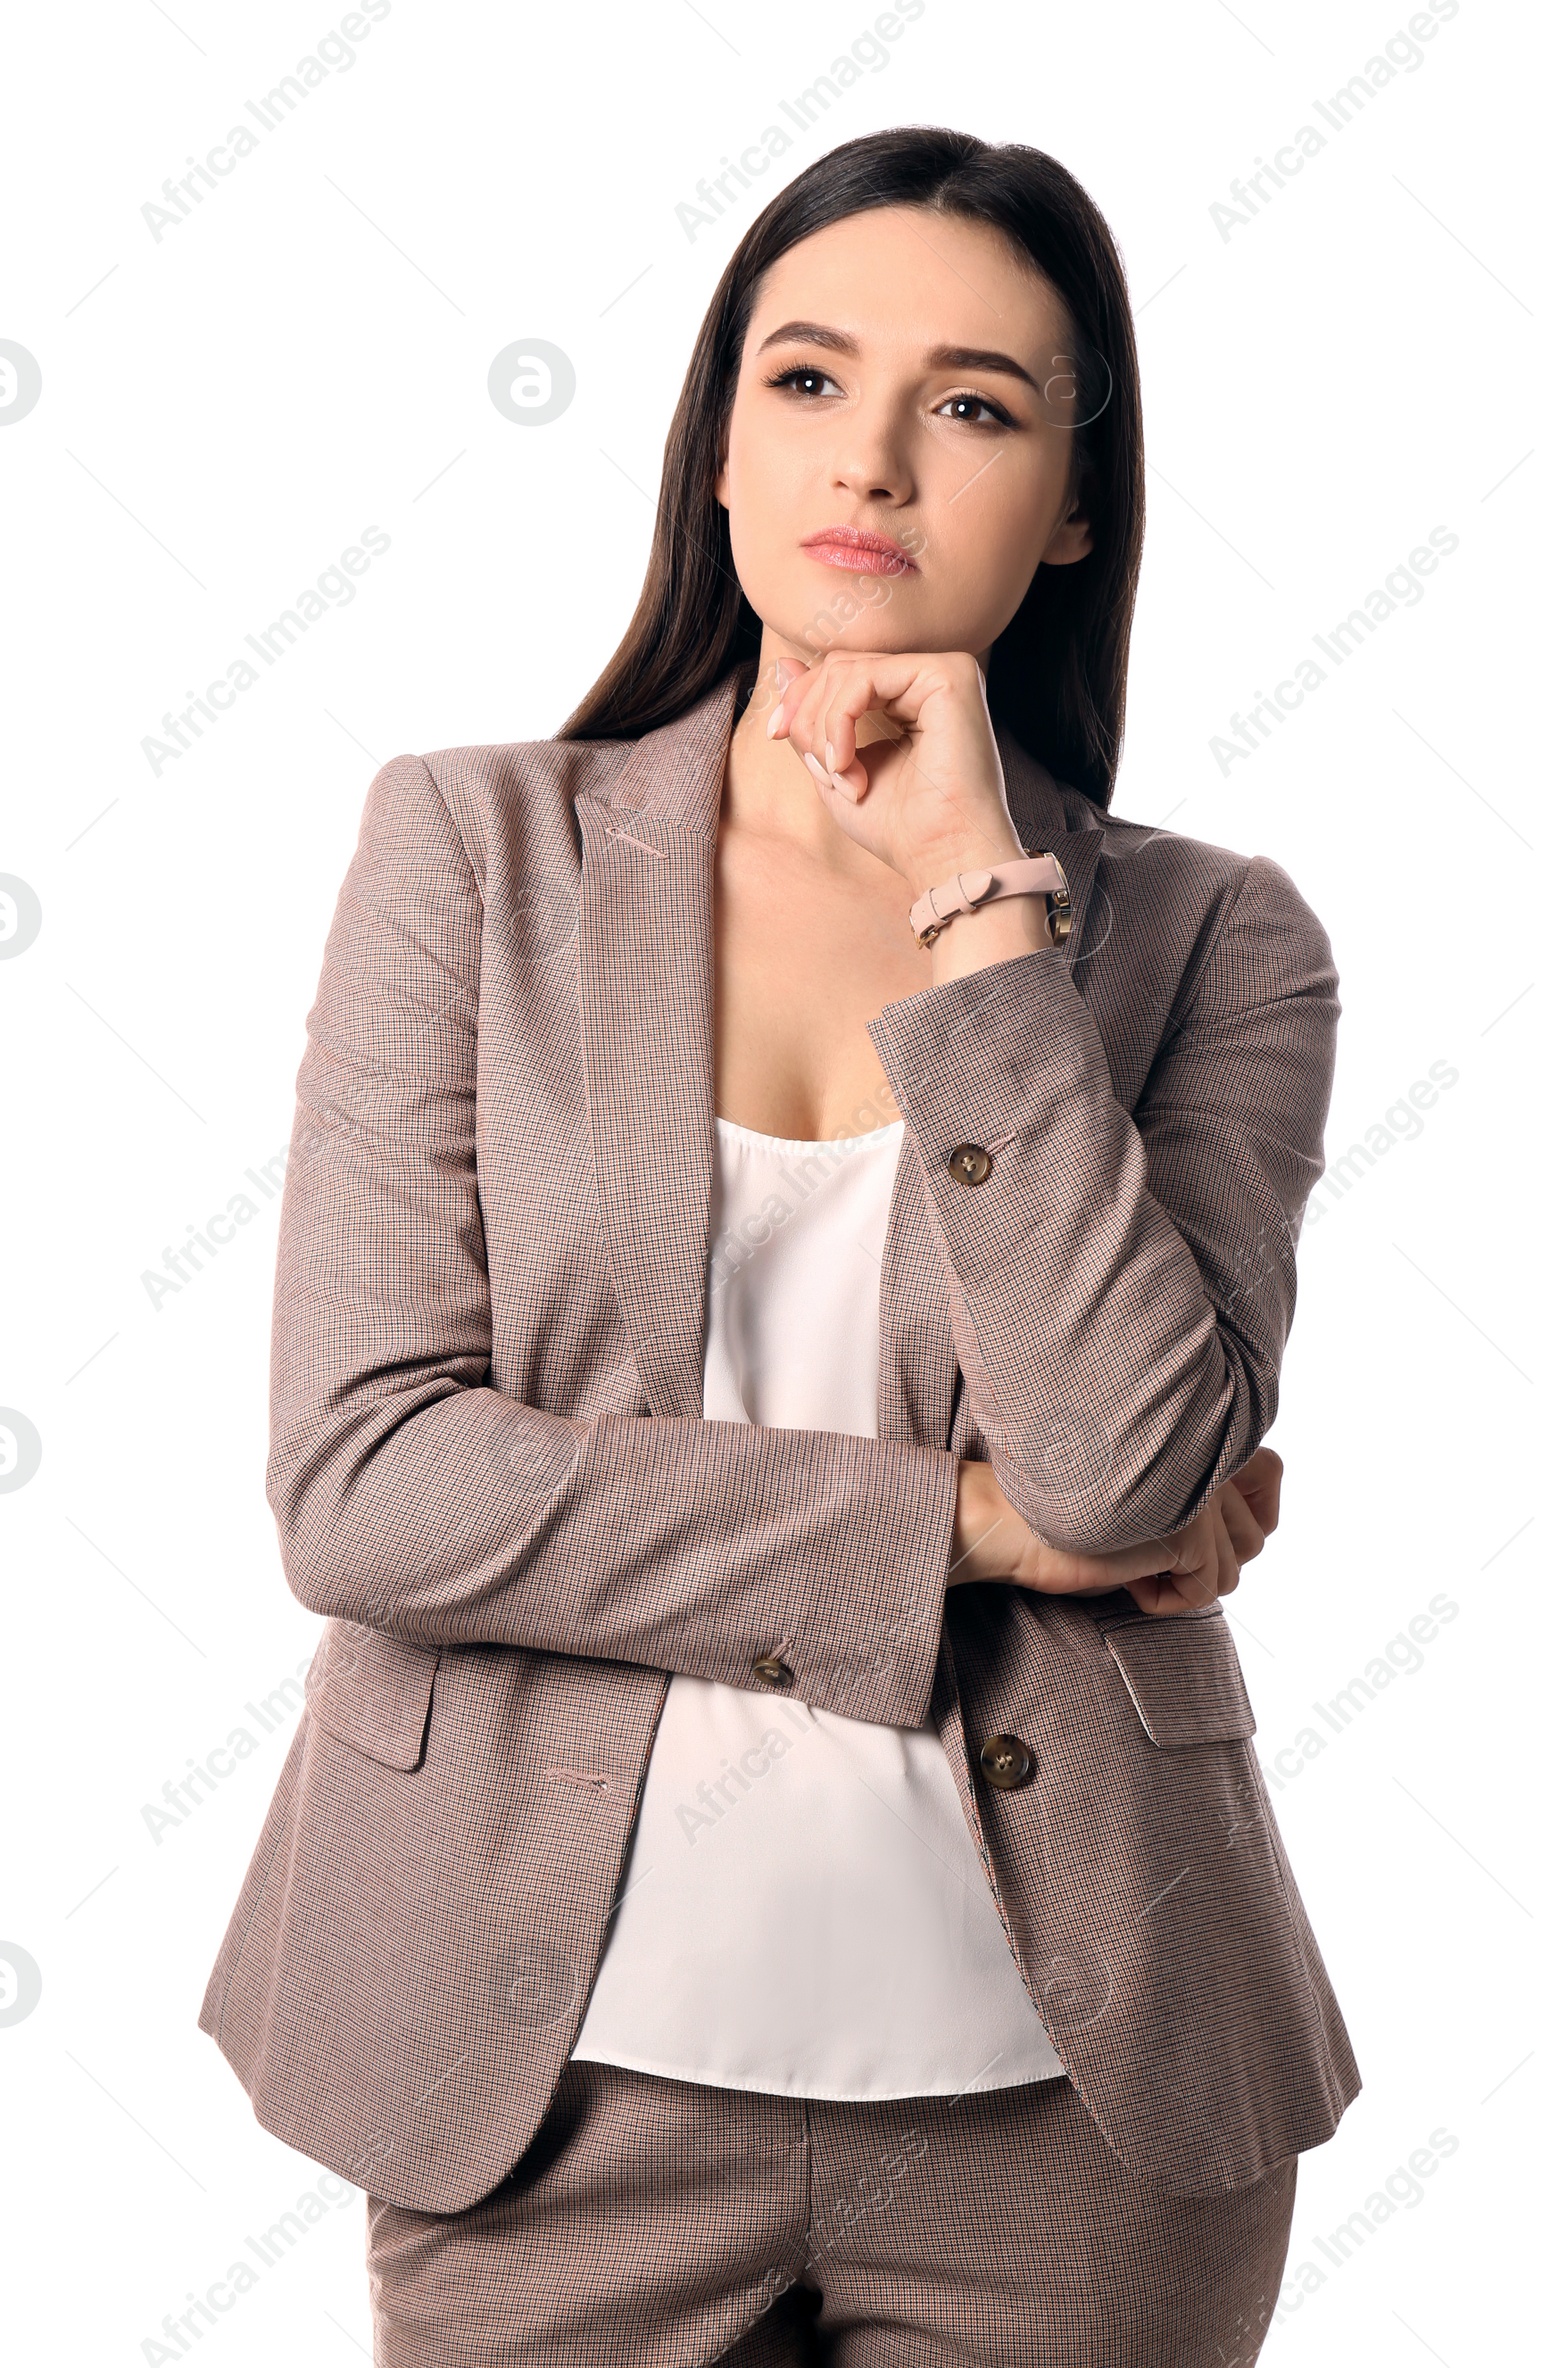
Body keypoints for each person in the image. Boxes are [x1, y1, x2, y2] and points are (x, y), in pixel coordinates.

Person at [198, 125, 1359, 2365]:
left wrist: (974, 892)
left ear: (1078, 504)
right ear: (716, 445)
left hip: (1081, 2108)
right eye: (809, 380)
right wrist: (952, 1525)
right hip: (538, 2086)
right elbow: (365, 1485)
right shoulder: (470, 851)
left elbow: (1121, 1479)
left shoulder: (1220, 939)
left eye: (981, 405)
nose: (880, 460)